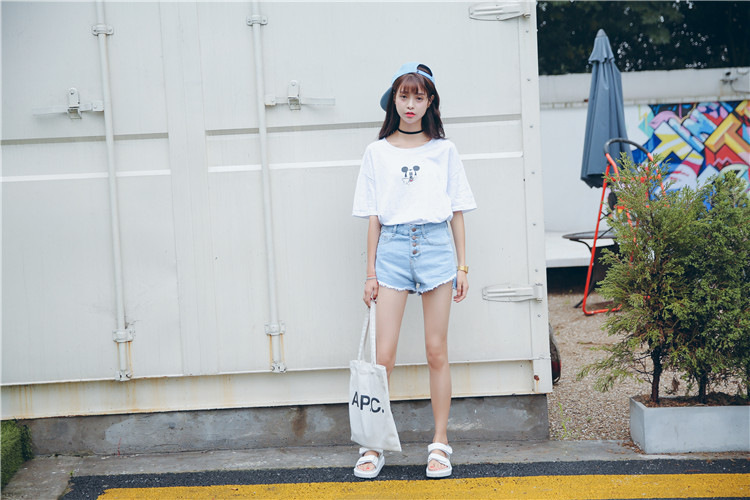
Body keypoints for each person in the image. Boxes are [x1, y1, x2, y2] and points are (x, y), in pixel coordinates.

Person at [351, 62, 476, 479]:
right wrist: (370, 273)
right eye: (404, 95)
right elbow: (373, 217)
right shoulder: (377, 152)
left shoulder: (444, 150)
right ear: (393, 100)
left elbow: (457, 211)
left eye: (418, 97)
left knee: (436, 350)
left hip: (437, 248)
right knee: (382, 357)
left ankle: (439, 444)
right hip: (392, 250)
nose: (410, 104)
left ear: (430, 102)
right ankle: (373, 445)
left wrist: (462, 266)